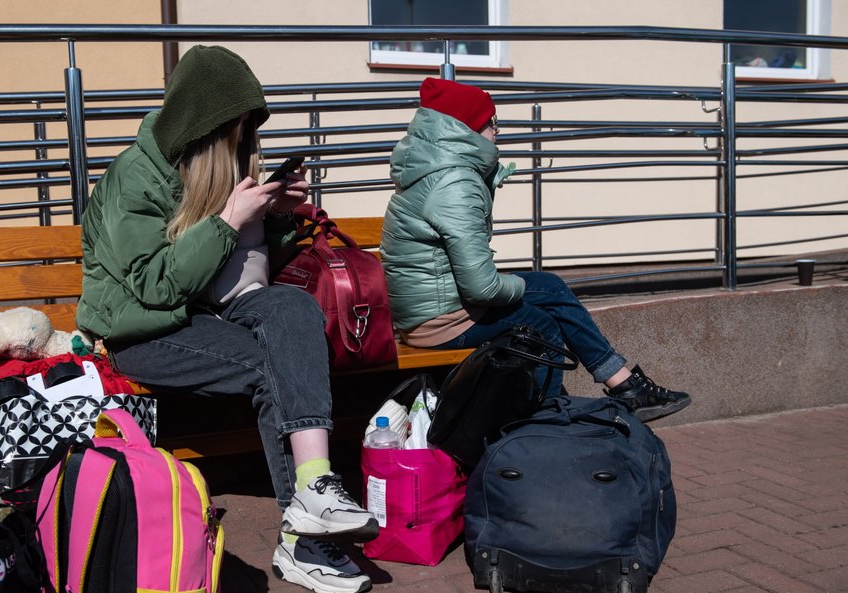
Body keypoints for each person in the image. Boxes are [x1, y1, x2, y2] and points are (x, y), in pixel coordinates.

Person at [77, 45, 376, 593]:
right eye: (233, 126)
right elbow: (155, 287)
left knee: (292, 306)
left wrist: (279, 219)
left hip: (213, 312)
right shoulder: (134, 179)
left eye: (247, 126)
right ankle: (303, 540)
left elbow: (238, 270)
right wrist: (229, 219)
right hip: (144, 331)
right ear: (202, 123)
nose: (242, 139)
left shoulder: (224, 164)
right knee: (270, 368)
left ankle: (313, 488)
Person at [380, 77, 691, 422]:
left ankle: (616, 389)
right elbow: (481, 287)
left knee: (550, 288)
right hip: (441, 323)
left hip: (435, 312)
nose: (497, 131)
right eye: (493, 123)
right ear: (466, 129)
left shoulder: (435, 171)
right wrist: (522, 287)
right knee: (540, 322)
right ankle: (549, 418)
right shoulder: (455, 183)